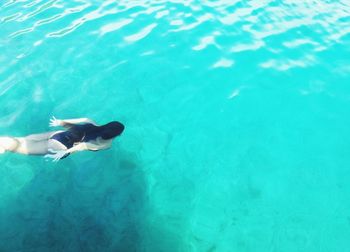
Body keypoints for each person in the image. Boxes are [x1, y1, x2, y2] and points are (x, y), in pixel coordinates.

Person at [0, 117, 125, 161]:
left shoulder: (91, 122)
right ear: (116, 135)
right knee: (18, 147)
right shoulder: (105, 144)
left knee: (21, 140)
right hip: (60, 147)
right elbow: (83, 146)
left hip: (59, 134)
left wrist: (60, 122)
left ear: (108, 124)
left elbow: (79, 122)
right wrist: (64, 152)